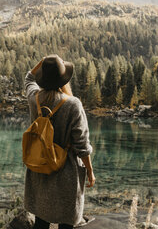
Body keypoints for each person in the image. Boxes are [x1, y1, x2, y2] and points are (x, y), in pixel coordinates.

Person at [24, 55, 95, 229]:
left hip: (40, 169)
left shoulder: (35, 98)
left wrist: (44, 62)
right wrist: (90, 172)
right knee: (66, 223)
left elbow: (28, 78)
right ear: (63, 79)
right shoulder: (72, 104)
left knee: (41, 221)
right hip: (66, 174)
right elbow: (82, 146)